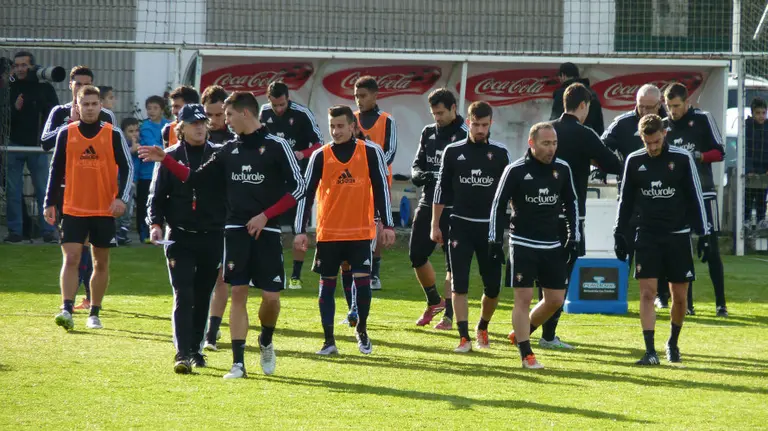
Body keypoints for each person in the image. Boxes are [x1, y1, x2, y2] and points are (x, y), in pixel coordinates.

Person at [140, 91, 305, 379]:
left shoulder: (276, 146)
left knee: (271, 299)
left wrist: (266, 214)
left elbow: (299, 188)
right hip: (233, 231)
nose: (222, 122)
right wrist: (164, 159)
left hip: (266, 232)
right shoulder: (227, 150)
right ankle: (237, 363)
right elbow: (195, 178)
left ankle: (265, 339)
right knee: (236, 292)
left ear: (244, 113)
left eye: (227, 115)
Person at [293, 105, 395, 356]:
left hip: (360, 231)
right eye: (332, 126)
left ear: (353, 126)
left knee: (362, 284)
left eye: (341, 126)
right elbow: (306, 194)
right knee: (327, 285)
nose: (336, 131)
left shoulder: (370, 152)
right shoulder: (321, 155)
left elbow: (382, 188)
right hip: (329, 233)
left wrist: (388, 225)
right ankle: (328, 341)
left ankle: (361, 331)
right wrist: (300, 229)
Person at [614, 114, 712, 365]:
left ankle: (673, 342)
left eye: (656, 142)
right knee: (646, 293)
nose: (653, 147)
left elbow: (695, 196)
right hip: (646, 234)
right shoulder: (634, 161)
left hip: (677, 235)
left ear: (664, 134)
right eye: (648, 143)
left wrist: (704, 234)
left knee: (679, 296)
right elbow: (624, 200)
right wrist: (619, 232)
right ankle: (650, 351)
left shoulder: (681, 158)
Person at [531, 82, 621, 350]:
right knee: (561, 277)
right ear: (583, 105)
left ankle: (532, 328)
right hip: (572, 217)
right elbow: (614, 164)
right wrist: (592, 159)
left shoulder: (546, 131)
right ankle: (546, 334)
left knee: (542, 275)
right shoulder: (586, 134)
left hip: (540, 211)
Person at [146, 104, 227, 374]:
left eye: (203, 122)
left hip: (212, 234)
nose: (200, 127)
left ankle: (196, 349)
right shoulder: (169, 156)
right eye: (193, 123)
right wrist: (155, 225)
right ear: (180, 127)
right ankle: (182, 352)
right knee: (184, 293)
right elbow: (156, 197)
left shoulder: (218, 155)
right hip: (179, 236)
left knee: (203, 294)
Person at [491, 122, 579, 369]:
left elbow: (571, 203)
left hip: (552, 243)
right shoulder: (516, 170)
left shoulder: (562, 169)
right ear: (532, 143)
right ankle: (526, 353)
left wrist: (574, 237)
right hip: (522, 242)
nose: (551, 149)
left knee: (555, 299)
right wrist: (495, 239)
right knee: (524, 297)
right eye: (546, 143)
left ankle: (522, 331)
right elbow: (498, 205)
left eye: (554, 143)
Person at [44, 85, 133, 331]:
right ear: (77, 106)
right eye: (86, 104)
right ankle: (66, 308)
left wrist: (121, 199)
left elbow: (127, 167)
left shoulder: (113, 134)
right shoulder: (66, 133)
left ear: (100, 106)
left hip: (104, 210)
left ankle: (94, 311)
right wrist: (50, 202)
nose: (91, 108)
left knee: (100, 262)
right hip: (73, 207)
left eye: (95, 104)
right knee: (71, 258)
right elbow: (56, 169)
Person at [432, 101, 510, 353]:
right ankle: (464, 337)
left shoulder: (500, 153)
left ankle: (483, 326)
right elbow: (441, 190)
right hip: (460, 226)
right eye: (475, 124)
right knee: (459, 283)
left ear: (491, 124)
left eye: (484, 125)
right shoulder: (453, 152)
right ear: (468, 122)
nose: (479, 129)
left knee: (493, 287)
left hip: (489, 230)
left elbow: (509, 193)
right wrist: (435, 224)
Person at [663, 83, 727, 317]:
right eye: (668, 106)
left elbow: (720, 151)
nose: (673, 111)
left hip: (705, 193)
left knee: (711, 250)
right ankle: (686, 305)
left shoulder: (702, 119)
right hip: (679, 199)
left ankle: (721, 303)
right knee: (682, 251)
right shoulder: (663, 126)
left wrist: (698, 156)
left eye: (677, 106)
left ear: (687, 102)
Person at [409, 88, 468, 330]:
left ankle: (449, 317)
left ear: (454, 108)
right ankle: (434, 301)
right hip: (428, 203)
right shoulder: (428, 132)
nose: (437, 118)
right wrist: (419, 175)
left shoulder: (466, 135)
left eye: (441, 113)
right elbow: (416, 164)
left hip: (455, 208)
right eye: (434, 113)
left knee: (452, 263)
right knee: (416, 256)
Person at [601, 84, 667, 296]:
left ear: (659, 105)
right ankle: (620, 291)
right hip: (631, 196)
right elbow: (602, 146)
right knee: (626, 243)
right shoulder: (622, 123)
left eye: (650, 107)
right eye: (641, 107)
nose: (645, 112)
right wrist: (607, 166)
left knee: (663, 247)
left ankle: (663, 295)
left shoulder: (668, 125)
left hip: (662, 197)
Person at [260, 81, 324, 290]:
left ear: (288, 98)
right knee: (268, 223)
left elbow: (319, 143)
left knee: (299, 227)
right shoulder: (263, 112)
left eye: (282, 104)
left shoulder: (302, 114)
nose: (278, 109)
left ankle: (295, 275)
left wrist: (301, 154)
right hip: (272, 177)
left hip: (298, 176)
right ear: (269, 100)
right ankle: (263, 271)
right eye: (275, 105)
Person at [6, 51, 60, 244]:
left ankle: (49, 230)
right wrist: (15, 108)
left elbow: (55, 112)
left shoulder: (44, 86)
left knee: (44, 190)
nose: (20, 69)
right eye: (17, 65)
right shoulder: (9, 86)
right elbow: (4, 116)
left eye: (24, 65)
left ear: (32, 66)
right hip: (14, 145)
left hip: (38, 147)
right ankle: (15, 232)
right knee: (13, 191)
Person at [200, 84, 236, 352]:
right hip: (199, 216)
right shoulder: (196, 139)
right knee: (199, 275)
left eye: (218, 114)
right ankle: (196, 326)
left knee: (223, 276)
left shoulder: (237, 140)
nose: (213, 120)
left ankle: (211, 332)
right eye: (208, 115)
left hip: (229, 215)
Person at [354, 76, 397, 290]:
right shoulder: (351, 119)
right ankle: (356, 267)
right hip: (354, 183)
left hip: (378, 182)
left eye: (363, 96)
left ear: (375, 95)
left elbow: (390, 151)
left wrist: (373, 170)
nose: (359, 100)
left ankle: (374, 273)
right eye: (356, 96)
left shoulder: (386, 119)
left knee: (377, 226)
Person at [41, 65, 117, 152]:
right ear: (70, 85)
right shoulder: (59, 111)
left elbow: (115, 146)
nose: (82, 88)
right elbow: (45, 143)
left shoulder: (107, 115)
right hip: (69, 164)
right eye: (78, 84)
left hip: (97, 164)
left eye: (86, 84)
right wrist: (70, 123)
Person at [135, 96, 170, 243]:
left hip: (165, 170)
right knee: (144, 204)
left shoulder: (168, 125)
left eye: (155, 108)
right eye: (149, 108)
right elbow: (152, 147)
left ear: (162, 109)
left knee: (163, 203)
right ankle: (144, 234)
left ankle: (160, 232)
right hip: (146, 173)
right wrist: (168, 150)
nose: (151, 111)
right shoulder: (145, 127)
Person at [550, 62, 604, 135]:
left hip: (568, 138)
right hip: (589, 139)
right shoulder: (592, 93)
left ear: (563, 75)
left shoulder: (561, 93)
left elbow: (555, 119)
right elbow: (599, 125)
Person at [115, 118, 140, 245]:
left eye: (136, 131)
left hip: (133, 181)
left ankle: (123, 232)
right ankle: (119, 232)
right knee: (122, 205)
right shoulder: (121, 144)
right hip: (121, 180)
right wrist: (131, 150)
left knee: (129, 207)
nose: (134, 134)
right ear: (123, 133)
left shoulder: (139, 144)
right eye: (130, 131)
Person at [745, 97, 767, 224]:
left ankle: (761, 221)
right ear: (752, 113)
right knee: (747, 199)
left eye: (763, 113)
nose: (761, 116)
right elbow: (745, 150)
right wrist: (749, 169)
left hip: (764, 170)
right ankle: (746, 222)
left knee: (761, 198)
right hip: (750, 171)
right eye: (758, 113)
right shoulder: (747, 127)